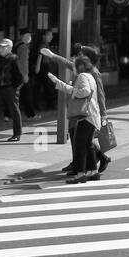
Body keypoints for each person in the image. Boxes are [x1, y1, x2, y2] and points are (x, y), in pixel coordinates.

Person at [41, 43, 110, 176]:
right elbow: (67, 63)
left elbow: (100, 95)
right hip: (77, 109)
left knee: (80, 139)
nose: (78, 56)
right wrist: (52, 55)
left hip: (86, 111)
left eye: (82, 54)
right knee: (79, 138)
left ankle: (81, 166)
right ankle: (83, 163)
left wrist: (104, 115)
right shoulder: (82, 68)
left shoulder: (94, 73)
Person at [50, 54, 102, 183]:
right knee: (88, 144)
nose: (72, 67)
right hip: (93, 115)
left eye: (74, 65)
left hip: (86, 115)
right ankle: (93, 171)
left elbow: (84, 91)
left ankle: (80, 174)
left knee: (80, 145)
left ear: (79, 66)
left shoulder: (82, 76)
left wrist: (59, 83)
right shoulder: (90, 76)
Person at [15, 32, 36, 118]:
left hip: (15, 72)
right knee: (27, 94)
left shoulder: (16, 45)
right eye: (29, 36)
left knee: (14, 94)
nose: (30, 38)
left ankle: (8, 114)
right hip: (21, 74)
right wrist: (25, 75)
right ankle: (30, 114)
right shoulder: (24, 48)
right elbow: (23, 62)